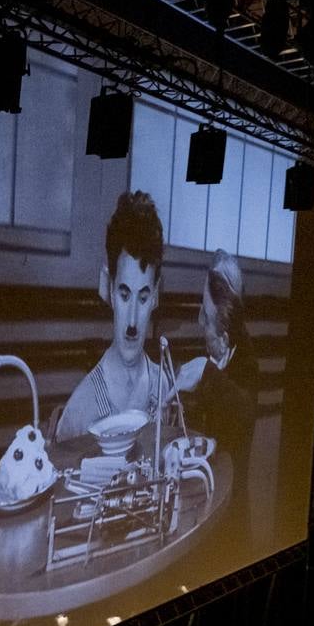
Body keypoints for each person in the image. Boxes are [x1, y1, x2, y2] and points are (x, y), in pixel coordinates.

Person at [56, 191, 165, 442]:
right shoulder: (79, 411)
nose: (133, 323)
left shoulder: (166, 390)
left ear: (156, 296)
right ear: (108, 289)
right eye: (125, 295)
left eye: (144, 297)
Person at [173, 248, 258, 538]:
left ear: (224, 333)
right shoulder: (218, 346)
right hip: (203, 503)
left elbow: (243, 410)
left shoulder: (246, 361)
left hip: (230, 523)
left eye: (206, 317)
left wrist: (206, 374)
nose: (199, 322)